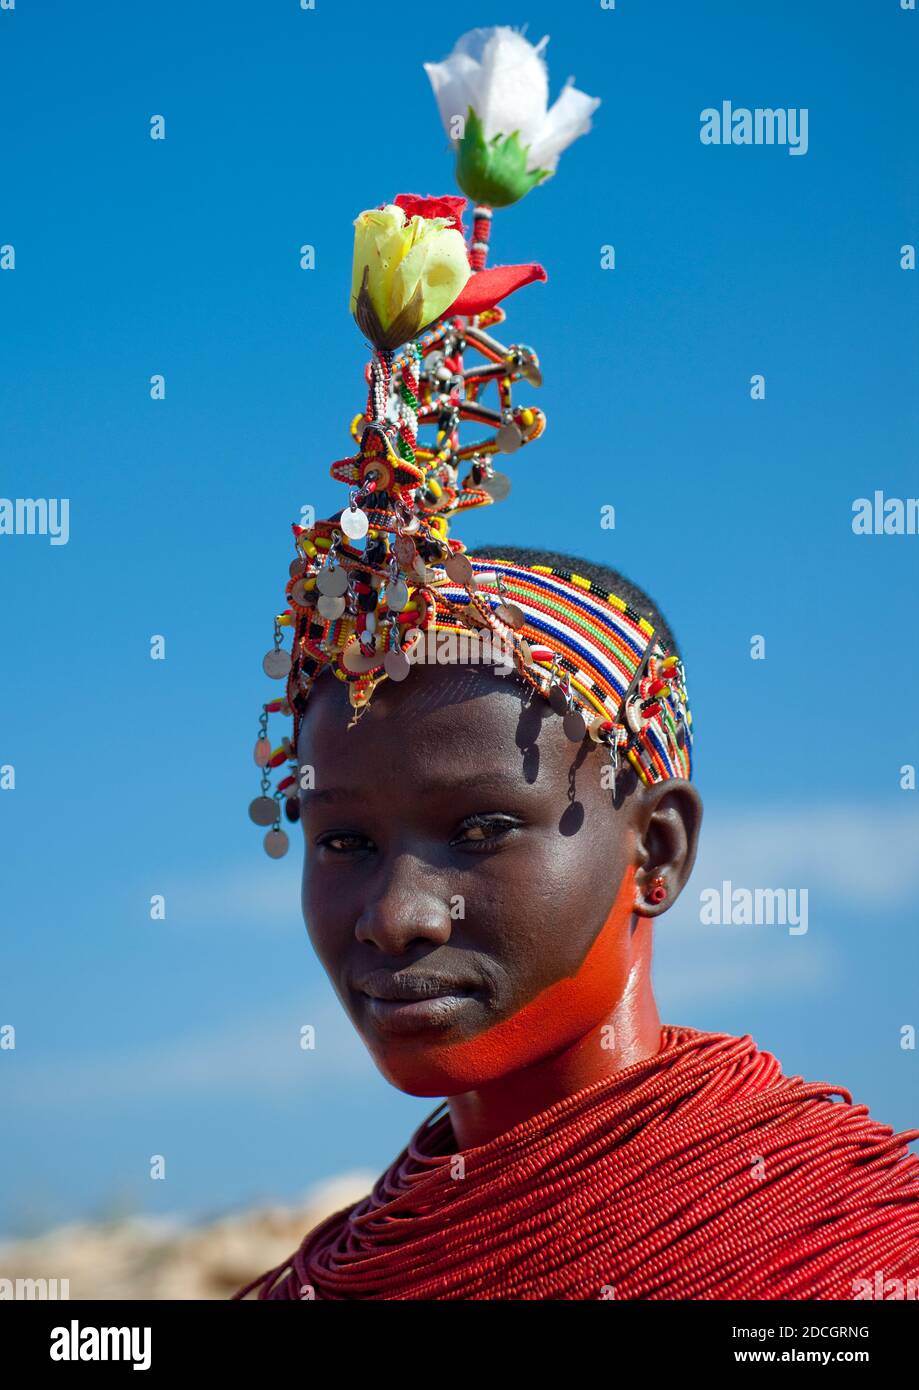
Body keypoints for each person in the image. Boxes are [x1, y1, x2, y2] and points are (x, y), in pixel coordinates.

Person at [233, 51, 919, 1293]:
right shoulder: (320, 1282)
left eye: (483, 825)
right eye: (341, 842)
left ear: (654, 853)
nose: (395, 916)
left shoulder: (847, 1254)